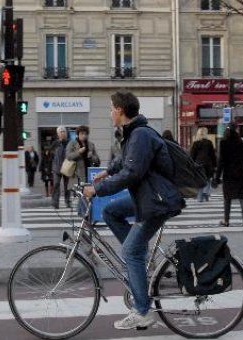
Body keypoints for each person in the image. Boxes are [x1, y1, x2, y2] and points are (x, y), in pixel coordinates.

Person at [84, 91, 185, 330]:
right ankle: (138, 254)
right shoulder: (135, 133)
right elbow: (125, 160)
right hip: (147, 197)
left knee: (130, 252)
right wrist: (107, 171)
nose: (110, 113)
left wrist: (97, 189)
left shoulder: (139, 134)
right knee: (110, 212)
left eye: (111, 108)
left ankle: (142, 311)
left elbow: (132, 173)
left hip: (156, 203)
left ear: (119, 110)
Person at [212, 123, 243, 231]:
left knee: (227, 198)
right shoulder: (241, 141)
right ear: (236, 130)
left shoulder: (223, 142)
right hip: (242, 173)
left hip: (229, 174)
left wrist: (217, 177)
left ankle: (226, 221)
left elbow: (221, 161)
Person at [190, 127, 217, 202]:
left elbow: (192, 155)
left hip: (198, 164)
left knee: (200, 180)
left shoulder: (195, 143)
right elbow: (213, 155)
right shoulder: (209, 143)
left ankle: (200, 197)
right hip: (208, 164)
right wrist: (215, 165)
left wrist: (191, 164)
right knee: (208, 179)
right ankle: (206, 193)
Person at [52, 126, 71, 209]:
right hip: (57, 167)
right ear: (58, 134)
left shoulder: (69, 142)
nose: (62, 133)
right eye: (61, 132)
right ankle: (55, 202)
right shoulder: (55, 143)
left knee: (67, 186)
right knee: (56, 184)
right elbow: (51, 154)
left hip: (67, 166)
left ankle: (68, 201)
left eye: (64, 131)